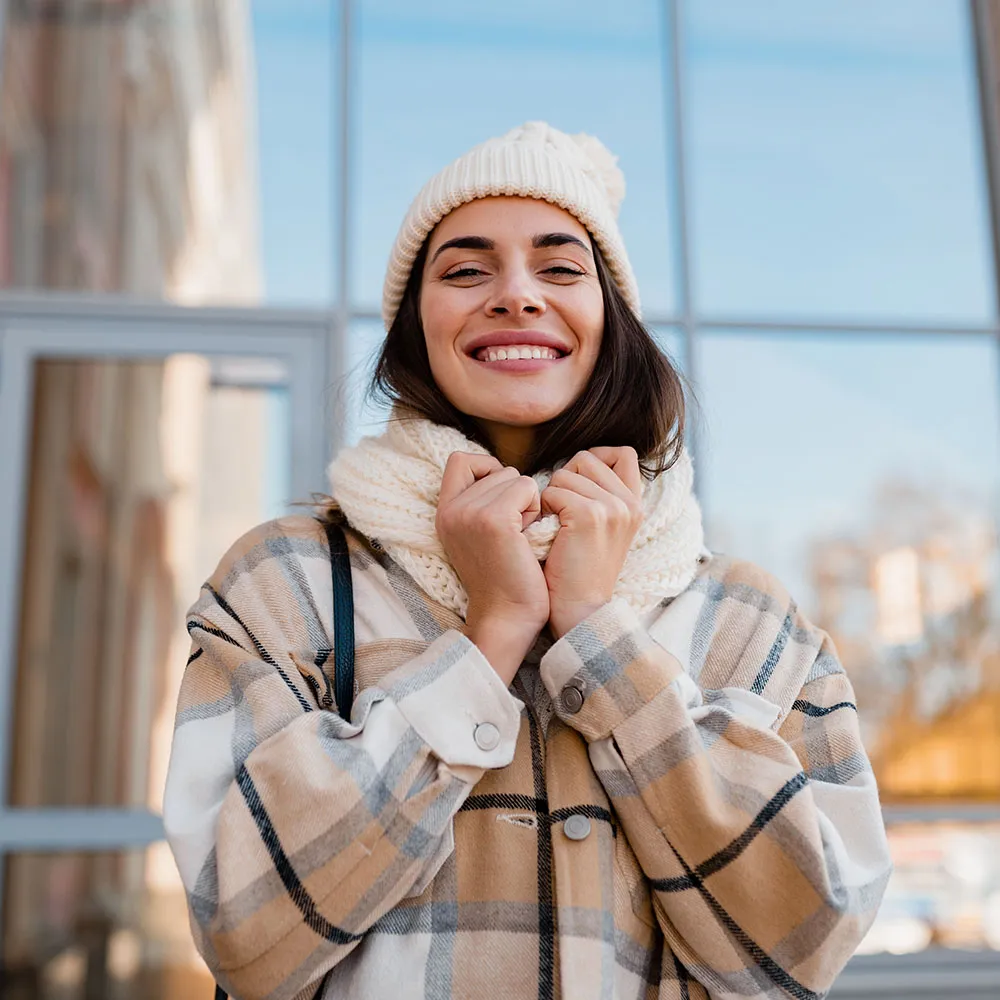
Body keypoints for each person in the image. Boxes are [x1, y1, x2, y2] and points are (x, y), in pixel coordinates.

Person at [164, 122, 892, 1000]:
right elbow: (245, 936)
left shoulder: (750, 617)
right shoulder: (284, 583)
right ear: (413, 328)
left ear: (610, 319)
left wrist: (597, 634)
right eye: (466, 270)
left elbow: (801, 944)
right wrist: (493, 633)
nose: (515, 296)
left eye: (559, 267)